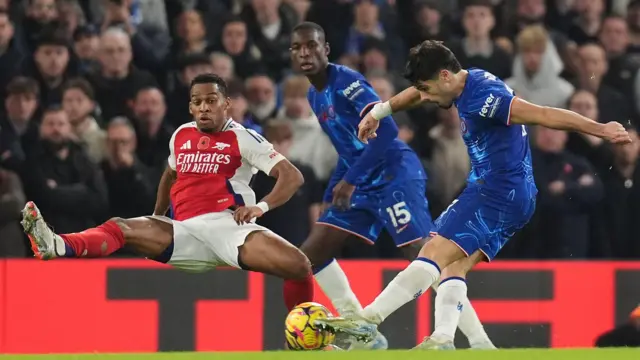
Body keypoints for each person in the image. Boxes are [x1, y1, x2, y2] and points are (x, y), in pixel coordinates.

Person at [314, 40, 631, 349]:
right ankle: (459, 342)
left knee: (433, 251)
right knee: (454, 266)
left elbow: (545, 115)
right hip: (513, 195)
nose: (424, 96)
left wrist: (601, 129)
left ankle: (368, 320)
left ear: (445, 77)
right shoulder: (462, 81)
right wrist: (380, 111)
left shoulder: (486, 97)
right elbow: (416, 94)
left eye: (427, 88)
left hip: (498, 191)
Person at [21, 73, 316, 310]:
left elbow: (292, 176)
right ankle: (56, 244)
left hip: (229, 226)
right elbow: (170, 174)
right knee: (121, 226)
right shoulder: (181, 134)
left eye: (212, 100)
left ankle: (304, 337)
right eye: (197, 101)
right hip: (185, 230)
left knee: (299, 265)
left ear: (226, 103)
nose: (204, 107)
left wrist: (260, 208)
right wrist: (157, 218)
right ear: (190, 106)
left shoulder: (244, 138)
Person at [287, 22, 495, 350]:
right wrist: (338, 186)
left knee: (425, 254)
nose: (305, 53)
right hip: (360, 179)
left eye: (311, 46)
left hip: (393, 174)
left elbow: (386, 132)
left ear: (325, 50)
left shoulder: (348, 83)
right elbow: (348, 147)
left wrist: (350, 181)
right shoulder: (315, 95)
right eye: (298, 48)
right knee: (312, 254)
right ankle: (362, 332)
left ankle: (479, 342)